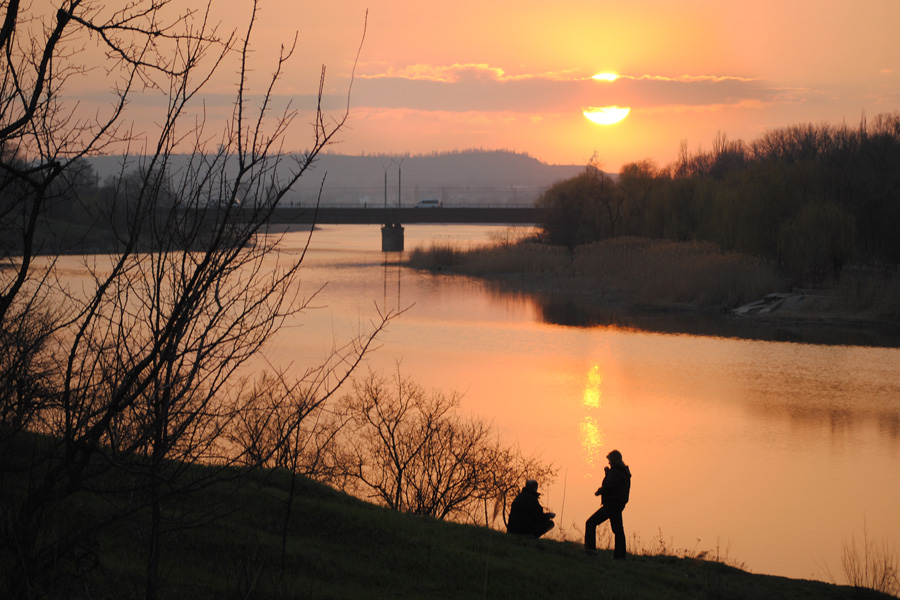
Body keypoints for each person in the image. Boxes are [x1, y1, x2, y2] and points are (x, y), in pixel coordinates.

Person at [585, 449, 632, 559]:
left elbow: (610, 486)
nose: (609, 463)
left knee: (590, 523)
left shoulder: (615, 472)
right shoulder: (622, 471)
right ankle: (620, 556)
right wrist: (608, 473)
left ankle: (590, 549)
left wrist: (599, 491)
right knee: (618, 530)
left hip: (612, 504)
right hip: (618, 504)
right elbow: (615, 484)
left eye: (610, 460)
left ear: (614, 460)